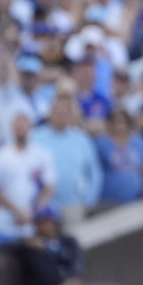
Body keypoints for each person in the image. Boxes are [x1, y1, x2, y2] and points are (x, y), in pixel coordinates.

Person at [15, 206, 129, 285]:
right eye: (40, 223)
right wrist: (25, 242)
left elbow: (78, 267)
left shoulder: (69, 242)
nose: (44, 226)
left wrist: (73, 280)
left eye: (48, 222)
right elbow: (1, 245)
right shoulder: (30, 247)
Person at [0, 112, 56, 248]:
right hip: (4, 226)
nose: (20, 129)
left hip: (33, 227)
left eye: (23, 125)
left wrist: (31, 212)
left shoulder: (42, 155)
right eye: (17, 126)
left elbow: (49, 187)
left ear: (30, 127)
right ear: (11, 128)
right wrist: (16, 211)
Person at [30, 91, 101, 224]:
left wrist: (88, 200)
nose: (60, 116)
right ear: (50, 113)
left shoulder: (82, 139)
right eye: (57, 112)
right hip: (44, 204)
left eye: (65, 113)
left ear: (71, 116)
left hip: (73, 204)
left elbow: (94, 172)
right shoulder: (35, 137)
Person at [94, 109, 143, 208]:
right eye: (115, 122)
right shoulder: (101, 144)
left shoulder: (139, 142)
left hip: (135, 199)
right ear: (109, 124)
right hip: (108, 201)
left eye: (122, 122)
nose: (119, 126)